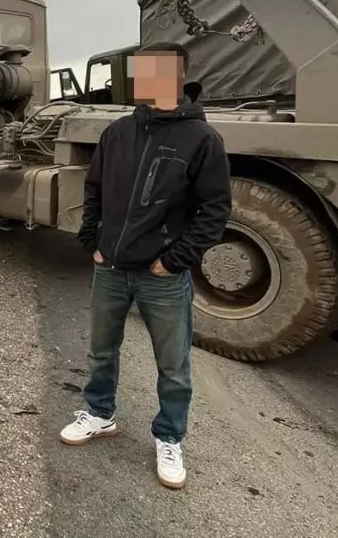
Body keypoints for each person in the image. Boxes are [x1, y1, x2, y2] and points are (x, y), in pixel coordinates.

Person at [62, 41, 232, 491]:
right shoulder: (117, 132)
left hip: (161, 276)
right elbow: (94, 188)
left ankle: (170, 437)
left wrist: (173, 261)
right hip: (111, 268)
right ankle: (99, 413)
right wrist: (92, 239)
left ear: (177, 77)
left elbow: (214, 211)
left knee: (173, 365)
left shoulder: (202, 140)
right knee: (101, 350)